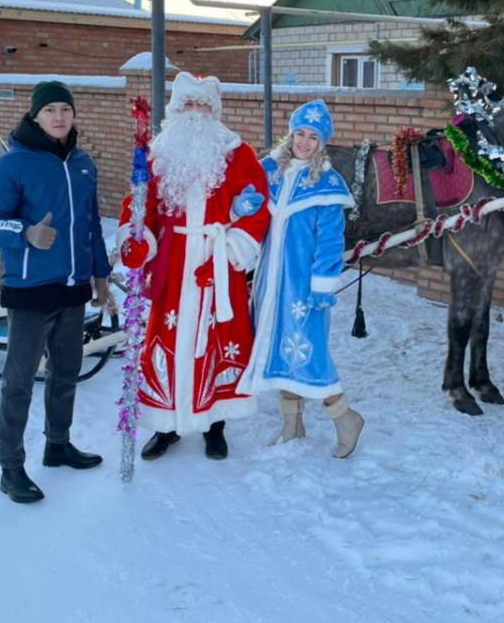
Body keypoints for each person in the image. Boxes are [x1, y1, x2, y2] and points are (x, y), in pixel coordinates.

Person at [118, 72, 271, 461]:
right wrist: (135, 239)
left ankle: (214, 424)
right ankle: (165, 426)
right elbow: (141, 208)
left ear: (216, 111)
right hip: (172, 264)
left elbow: (257, 211)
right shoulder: (157, 154)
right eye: (189, 104)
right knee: (167, 341)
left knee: (218, 340)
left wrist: (232, 251)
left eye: (204, 105)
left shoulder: (240, 155)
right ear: (175, 109)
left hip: (217, 264)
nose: (196, 113)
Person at [0, 80, 114, 503]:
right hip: (31, 290)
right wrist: (25, 232)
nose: (59, 116)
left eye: (65, 110)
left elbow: (91, 225)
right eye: (50, 109)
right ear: (35, 116)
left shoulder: (83, 163)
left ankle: (57, 445)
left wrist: (100, 275)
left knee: (66, 374)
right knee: (19, 382)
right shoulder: (12, 164)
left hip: (72, 288)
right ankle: (11, 469)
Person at [239, 100, 365, 458]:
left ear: (322, 142)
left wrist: (322, 286)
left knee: (309, 352)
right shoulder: (269, 171)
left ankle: (345, 418)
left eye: (313, 136)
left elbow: (329, 242)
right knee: (282, 351)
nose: (304, 142)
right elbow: (248, 207)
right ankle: (292, 424)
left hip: (302, 287)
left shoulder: (327, 182)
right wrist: (241, 207)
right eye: (300, 133)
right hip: (269, 282)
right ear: (291, 133)